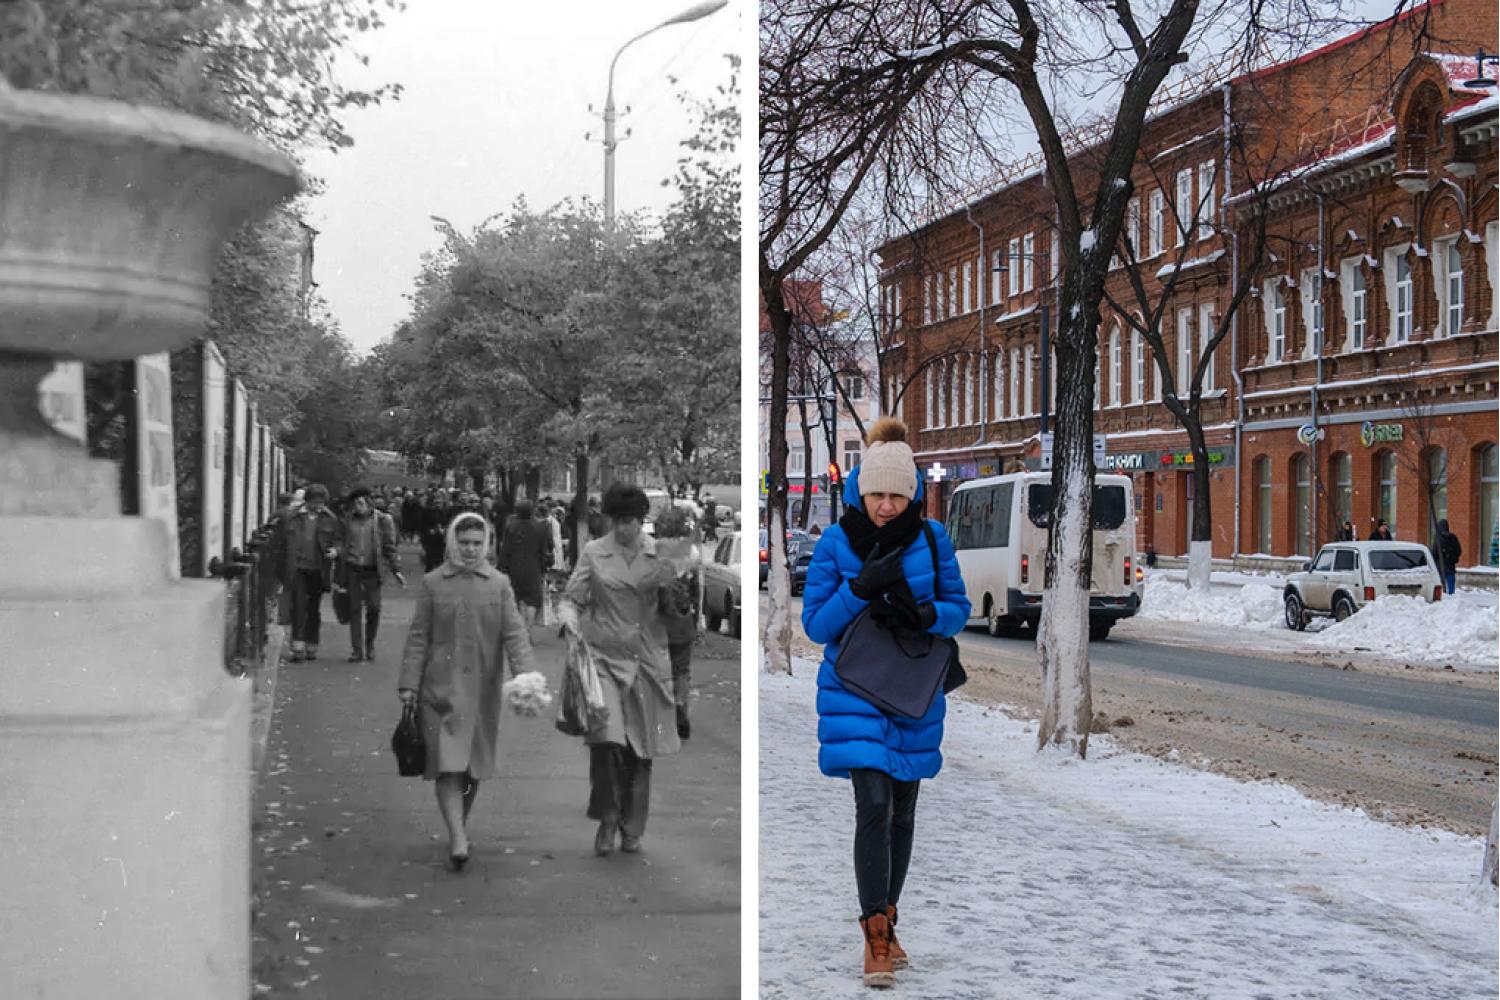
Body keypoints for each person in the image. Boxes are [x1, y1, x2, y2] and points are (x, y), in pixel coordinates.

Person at [800, 416, 969, 989]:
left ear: (913, 494)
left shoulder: (932, 539)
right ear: (860, 489)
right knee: (872, 803)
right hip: (854, 693)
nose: (887, 506)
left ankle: (890, 920)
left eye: (898, 495)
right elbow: (817, 625)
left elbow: (959, 609)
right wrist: (860, 588)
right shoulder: (834, 542)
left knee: (902, 811)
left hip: (911, 692)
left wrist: (926, 615)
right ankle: (873, 932)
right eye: (878, 494)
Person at [398, 512, 535, 872]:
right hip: (439, 689)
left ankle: (459, 826)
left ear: (487, 545)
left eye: (477, 543)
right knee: (447, 764)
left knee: (472, 768)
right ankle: (458, 838)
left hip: (482, 691)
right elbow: (418, 636)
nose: (471, 550)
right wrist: (409, 685)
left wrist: (526, 677)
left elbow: (515, 633)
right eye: (464, 543)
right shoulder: (433, 583)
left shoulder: (499, 584)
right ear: (452, 543)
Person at [559, 483, 684, 857]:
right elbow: (571, 598)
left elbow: (675, 611)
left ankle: (633, 826)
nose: (626, 528)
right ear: (610, 520)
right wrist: (569, 625)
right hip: (602, 660)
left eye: (632, 521)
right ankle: (608, 818)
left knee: (640, 752)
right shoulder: (595, 553)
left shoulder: (660, 555)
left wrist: (676, 593)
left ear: (642, 521)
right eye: (620, 521)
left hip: (647, 662)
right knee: (605, 742)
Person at [278, 483, 342, 662]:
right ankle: (298, 643)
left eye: (321, 502)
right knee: (298, 605)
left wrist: (335, 551)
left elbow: (339, 541)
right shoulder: (293, 517)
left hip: (319, 569)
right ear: (307, 501)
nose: (318, 505)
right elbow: (281, 543)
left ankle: (312, 642)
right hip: (297, 567)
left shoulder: (330, 518)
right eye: (314, 502)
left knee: (314, 608)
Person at [339, 487, 405, 661]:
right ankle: (357, 649)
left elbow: (390, 547)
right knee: (354, 609)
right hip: (353, 568)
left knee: (374, 608)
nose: (357, 507)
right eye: (355, 504)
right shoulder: (347, 520)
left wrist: (396, 569)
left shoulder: (383, 520)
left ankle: (370, 644)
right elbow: (341, 542)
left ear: (369, 503)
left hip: (372, 570)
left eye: (360, 503)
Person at [497, 499, 550, 627]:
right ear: (532, 511)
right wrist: (544, 568)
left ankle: (521, 628)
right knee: (532, 600)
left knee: (518, 597)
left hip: (514, 567)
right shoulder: (540, 528)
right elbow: (544, 551)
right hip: (534, 567)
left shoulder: (511, 527)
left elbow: (505, 549)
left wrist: (502, 568)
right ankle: (528, 630)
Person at [1434, 518, 1462, 594]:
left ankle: (1443, 594)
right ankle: (1451, 594)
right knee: (1450, 580)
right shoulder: (1453, 537)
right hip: (1450, 565)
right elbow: (1458, 550)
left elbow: (1435, 552)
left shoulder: (1438, 538)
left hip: (1440, 565)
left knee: (1440, 582)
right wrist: (1453, 558)